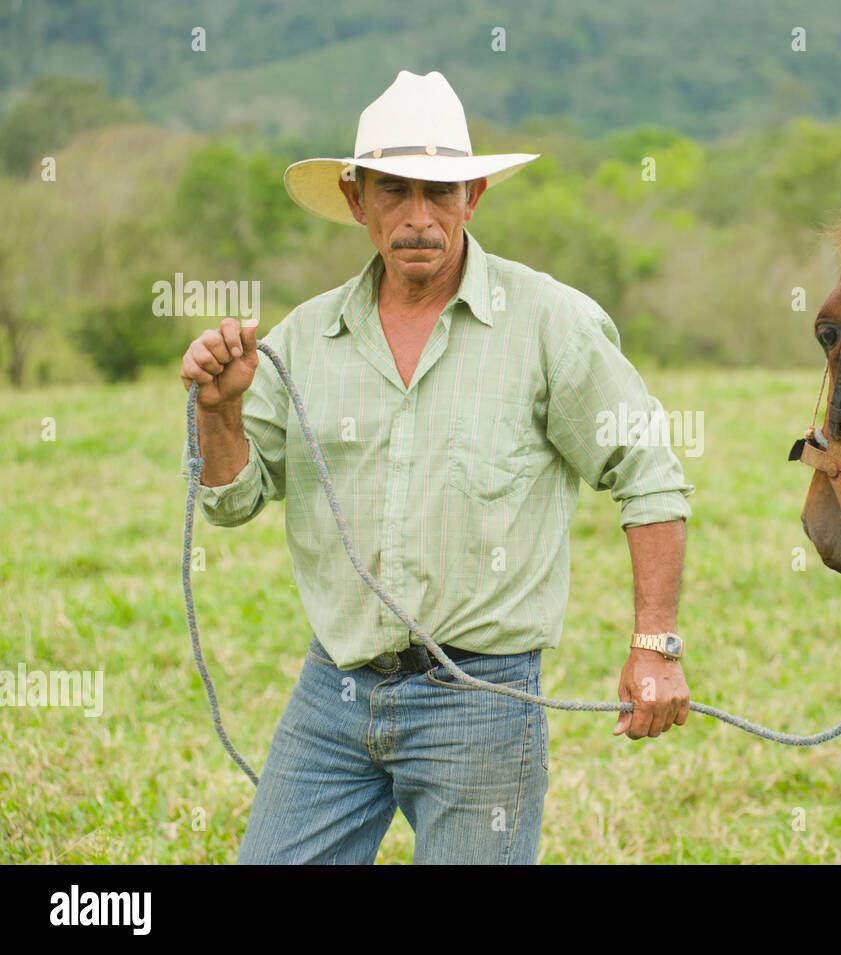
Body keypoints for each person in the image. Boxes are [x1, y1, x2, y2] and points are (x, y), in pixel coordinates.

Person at [178, 70, 694, 864]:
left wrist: (655, 644)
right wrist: (218, 410)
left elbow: (648, 470)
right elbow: (231, 499)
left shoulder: (551, 323)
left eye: (440, 191)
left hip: (482, 700)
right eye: (394, 191)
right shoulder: (304, 340)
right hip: (336, 690)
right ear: (357, 200)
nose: (419, 217)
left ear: (473, 196)